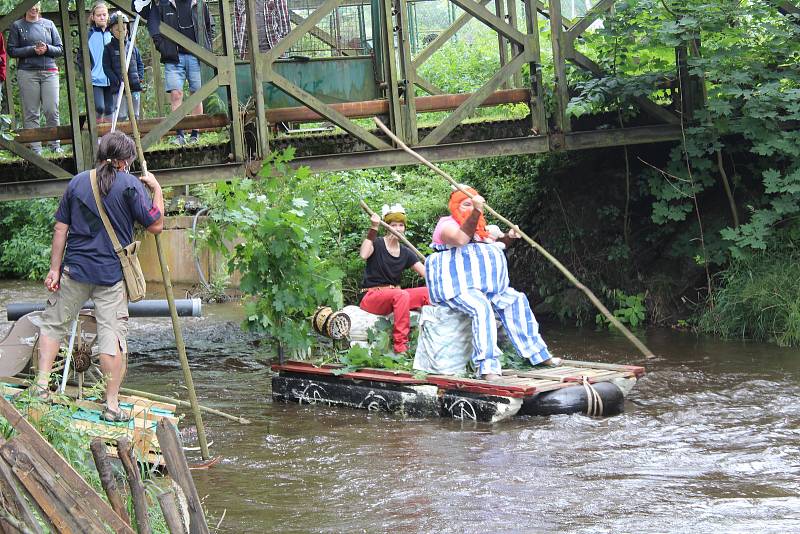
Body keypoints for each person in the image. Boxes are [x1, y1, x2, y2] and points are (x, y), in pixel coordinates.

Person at [36, 131, 164, 421]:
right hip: (110, 277)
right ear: (125, 161)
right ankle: (111, 406)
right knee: (112, 339)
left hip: (74, 271)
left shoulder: (78, 182)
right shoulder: (131, 186)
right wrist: (156, 189)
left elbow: (60, 229)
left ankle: (41, 388)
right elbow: (156, 224)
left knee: (53, 325)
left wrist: (54, 269)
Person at [426, 186, 561, 381]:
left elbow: (498, 246)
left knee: (516, 300)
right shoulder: (446, 225)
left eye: (474, 204)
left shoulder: (481, 229)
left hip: (486, 287)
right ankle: (487, 366)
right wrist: (477, 211)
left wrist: (510, 237)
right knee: (481, 307)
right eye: (466, 204)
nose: (471, 207)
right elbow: (461, 240)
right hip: (456, 288)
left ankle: (538, 354)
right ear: (455, 205)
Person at [359, 204, 430, 355]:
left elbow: (427, 275)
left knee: (428, 292)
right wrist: (373, 228)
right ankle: (400, 347)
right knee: (401, 294)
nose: (397, 229)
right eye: (393, 225)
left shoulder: (406, 252)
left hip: (395, 297)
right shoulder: (377, 244)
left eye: (401, 225)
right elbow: (364, 254)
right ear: (387, 227)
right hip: (373, 296)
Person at [147, 0, 215, 145]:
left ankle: (195, 134)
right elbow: (154, 28)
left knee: (197, 94)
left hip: (197, 57)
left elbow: (210, 27)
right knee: (176, 94)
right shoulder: (163, 4)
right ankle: (179, 134)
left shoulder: (200, 4)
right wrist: (163, 47)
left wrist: (207, 48)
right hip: (173, 58)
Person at [7, 2, 64, 155]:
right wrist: (32, 50)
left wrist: (47, 48)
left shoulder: (49, 24)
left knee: (52, 110)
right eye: (31, 6)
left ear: (39, 7)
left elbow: (60, 48)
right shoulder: (17, 25)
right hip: (27, 72)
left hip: (50, 72)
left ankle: (55, 146)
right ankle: (36, 150)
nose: (34, 10)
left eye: (36, 6)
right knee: (32, 112)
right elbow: (11, 50)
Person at [103, 12, 145, 120]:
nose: (122, 32)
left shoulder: (132, 47)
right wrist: (116, 80)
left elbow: (140, 63)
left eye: (124, 29)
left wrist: (139, 78)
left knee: (135, 115)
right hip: (118, 88)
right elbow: (106, 67)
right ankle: (122, 136)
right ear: (111, 30)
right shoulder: (108, 48)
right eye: (117, 29)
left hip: (134, 87)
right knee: (121, 116)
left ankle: (136, 136)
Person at [84, 3, 113, 122]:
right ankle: (98, 137)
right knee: (99, 108)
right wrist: (86, 72)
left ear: (108, 16)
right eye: (99, 15)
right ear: (93, 17)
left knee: (110, 109)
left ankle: (110, 138)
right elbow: (81, 56)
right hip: (95, 78)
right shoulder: (88, 35)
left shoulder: (113, 32)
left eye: (104, 15)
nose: (102, 17)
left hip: (112, 78)